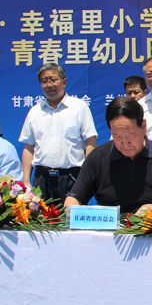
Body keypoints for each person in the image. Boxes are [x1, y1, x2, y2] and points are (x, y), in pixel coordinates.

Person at [65, 97, 152, 214]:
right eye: (117, 136)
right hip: (111, 226)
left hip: (150, 225)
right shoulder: (97, 158)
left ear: (143, 127)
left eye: (130, 135)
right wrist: (71, 207)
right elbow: (76, 196)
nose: (125, 143)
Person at [19, 63, 97, 202]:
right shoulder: (35, 112)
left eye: (53, 80)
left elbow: (90, 142)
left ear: (64, 81)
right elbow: (29, 147)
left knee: (71, 215)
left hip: (72, 177)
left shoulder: (79, 107)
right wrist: (26, 179)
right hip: (41, 178)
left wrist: (87, 175)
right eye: (44, 81)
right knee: (40, 215)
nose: (49, 85)